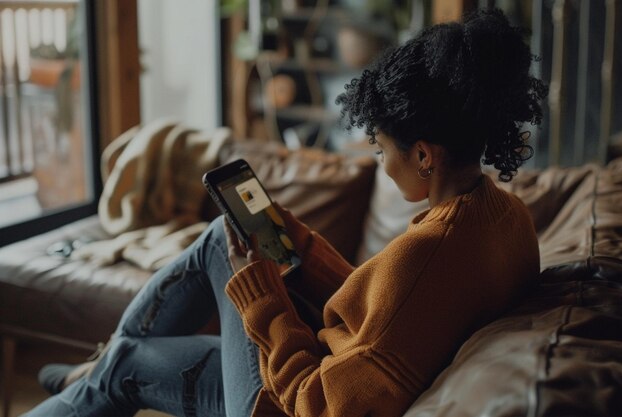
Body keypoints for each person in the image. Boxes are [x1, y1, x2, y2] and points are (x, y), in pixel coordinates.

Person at [26, 8, 547, 417]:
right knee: (126, 362)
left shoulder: (429, 250)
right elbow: (383, 315)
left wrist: (262, 293)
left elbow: (318, 404)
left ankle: (95, 368)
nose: (381, 162)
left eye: (382, 147)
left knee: (217, 240)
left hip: (286, 403)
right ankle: (99, 367)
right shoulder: (506, 219)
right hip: (313, 374)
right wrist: (300, 244)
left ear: (425, 155)